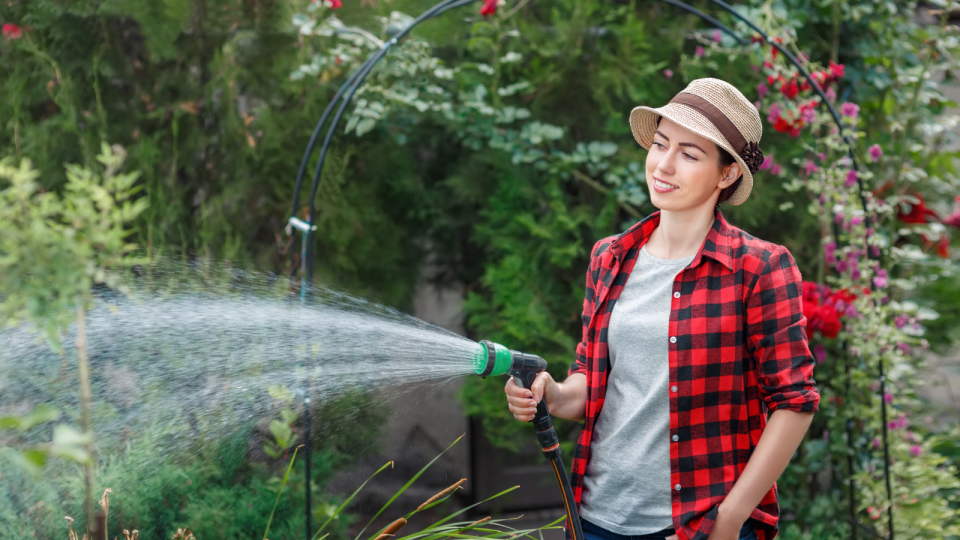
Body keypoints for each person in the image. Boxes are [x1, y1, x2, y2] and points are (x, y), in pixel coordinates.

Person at [503, 78, 820, 540]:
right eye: (660, 145)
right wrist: (550, 393)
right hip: (595, 517)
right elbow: (592, 385)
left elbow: (795, 403)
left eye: (690, 155)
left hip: (698, 523)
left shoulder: (759, 268)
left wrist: (729, 520)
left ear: (726, 174)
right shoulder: (610, 257)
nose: (664, 165)